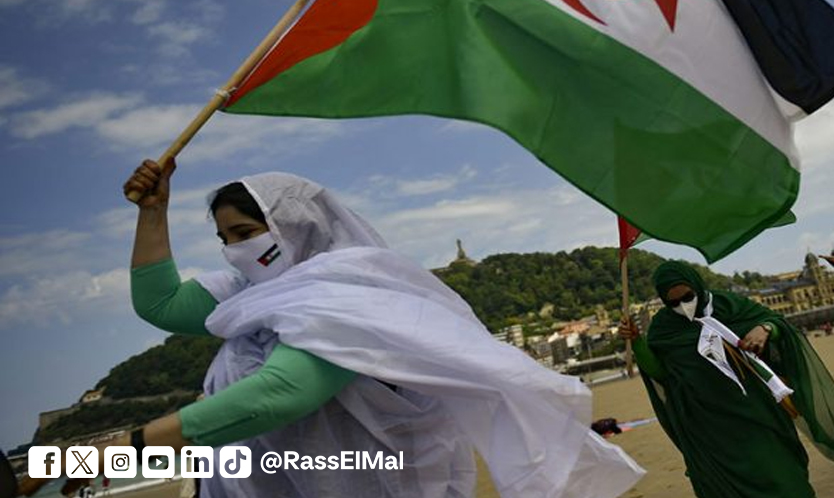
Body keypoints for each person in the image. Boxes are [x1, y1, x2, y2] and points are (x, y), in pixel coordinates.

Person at [119, 159, 644, 498]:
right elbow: (161, 304)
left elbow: (283, 392)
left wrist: (127, 447)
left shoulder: (347, 291)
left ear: (295, 228)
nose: (235, 250)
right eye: (224, 239)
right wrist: (153, 212)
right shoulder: (248, 292)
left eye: (246, 232)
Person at [618, 261, 834, 498]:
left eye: (687, 297)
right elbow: (661, 373)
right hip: (708, 426)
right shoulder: (663, 327)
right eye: (673, 302)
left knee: (784, 477)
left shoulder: (729, 305)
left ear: (696, 285)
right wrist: (637, 341)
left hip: (757, 412)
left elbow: (778, 325)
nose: (683, 305)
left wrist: (765, 329)